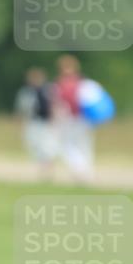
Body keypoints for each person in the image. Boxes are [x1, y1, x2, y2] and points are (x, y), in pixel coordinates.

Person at [53, 54, 94, 182]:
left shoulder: (61, 83)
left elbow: (58, 102)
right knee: (84, 145)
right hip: (83, 118)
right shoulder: (82, 82)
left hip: (71, 118)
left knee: (67, 145)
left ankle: (80, 169)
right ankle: (85, 171)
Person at [14, 67, 57, 179]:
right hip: (32, 122)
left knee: (47, 146)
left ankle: (47, 169)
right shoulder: (26, 92)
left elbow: (55, 105)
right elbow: (21, 108)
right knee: (34, 144)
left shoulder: (49, 90)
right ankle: (42, 167)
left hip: (46, 122)